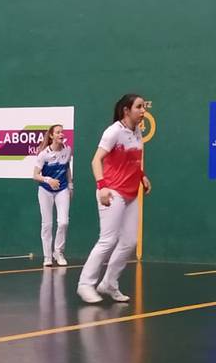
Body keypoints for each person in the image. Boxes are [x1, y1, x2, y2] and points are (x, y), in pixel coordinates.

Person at [76, 94, 151, 303]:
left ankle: (109, 283)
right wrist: (101, 187)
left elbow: (133, 161)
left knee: (129, 241)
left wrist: (142, 176)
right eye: (139, 107)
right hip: (112, 191)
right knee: (108, 240)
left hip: (131, 193)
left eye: (144, 107)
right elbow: (95, 160)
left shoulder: (137, 132)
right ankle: (85, 285)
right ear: (126, 110)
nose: (143, 111)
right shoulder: (113, 132)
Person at [33, 124, 73, 267]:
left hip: (62, 190)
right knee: (47, 224)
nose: (61, 134)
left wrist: (70, 186)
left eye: (62, 132)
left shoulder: (67, 150)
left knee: (63, 222)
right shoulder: (44, 154)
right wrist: (48, 180)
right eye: (58, 132)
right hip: (45, 191)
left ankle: (58, 252)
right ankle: (47, 256)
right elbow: (35, 175)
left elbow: (67, 168)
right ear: (51, 136)